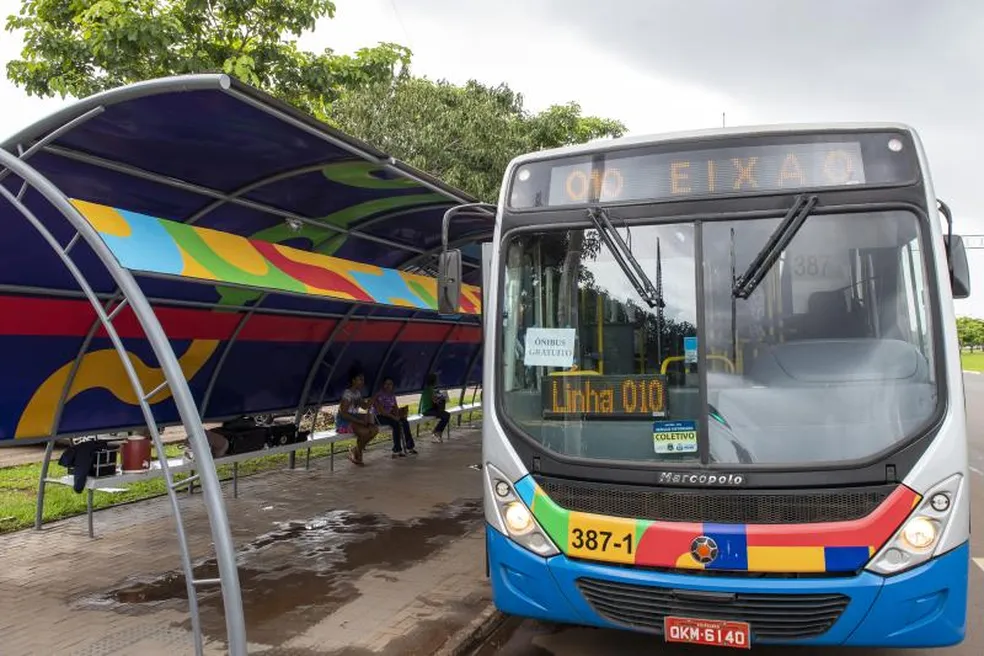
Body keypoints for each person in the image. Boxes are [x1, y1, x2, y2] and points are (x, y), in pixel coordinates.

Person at [337, 368, 378, 465]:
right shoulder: (347, 394)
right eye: (360, 379)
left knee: (375, 430)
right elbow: (343, 413)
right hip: (344, 421)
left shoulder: (357, 393)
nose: (362, 382)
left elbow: (364, 406)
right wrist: (359, 421)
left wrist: (373, 398)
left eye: (363, 380)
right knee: (365, 432)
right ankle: (357, 453)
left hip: (355, 420)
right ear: (353, 380)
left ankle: (356, 450)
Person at [373, 377, 417, 457]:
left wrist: (398, 415)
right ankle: (397, 450)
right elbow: (382, 412)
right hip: (379, 417)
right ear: (383, 385)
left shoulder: (392, 395)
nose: (388, 386)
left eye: (390, 384)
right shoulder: (379, 395)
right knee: (396, 424)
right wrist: (394, 417)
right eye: (386, 384)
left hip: (390, 415)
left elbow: (395, 407)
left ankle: (410, 447)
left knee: (405, 422)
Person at [419, 373, 451, 442]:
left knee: (445, 414)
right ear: (434, 381)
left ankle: (437, 431)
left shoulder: (429, 389)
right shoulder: (430, 390)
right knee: (446, 415)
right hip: (427, 411)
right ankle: (436, 431)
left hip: (428, 409)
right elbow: (435, 401)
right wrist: (443, 397)